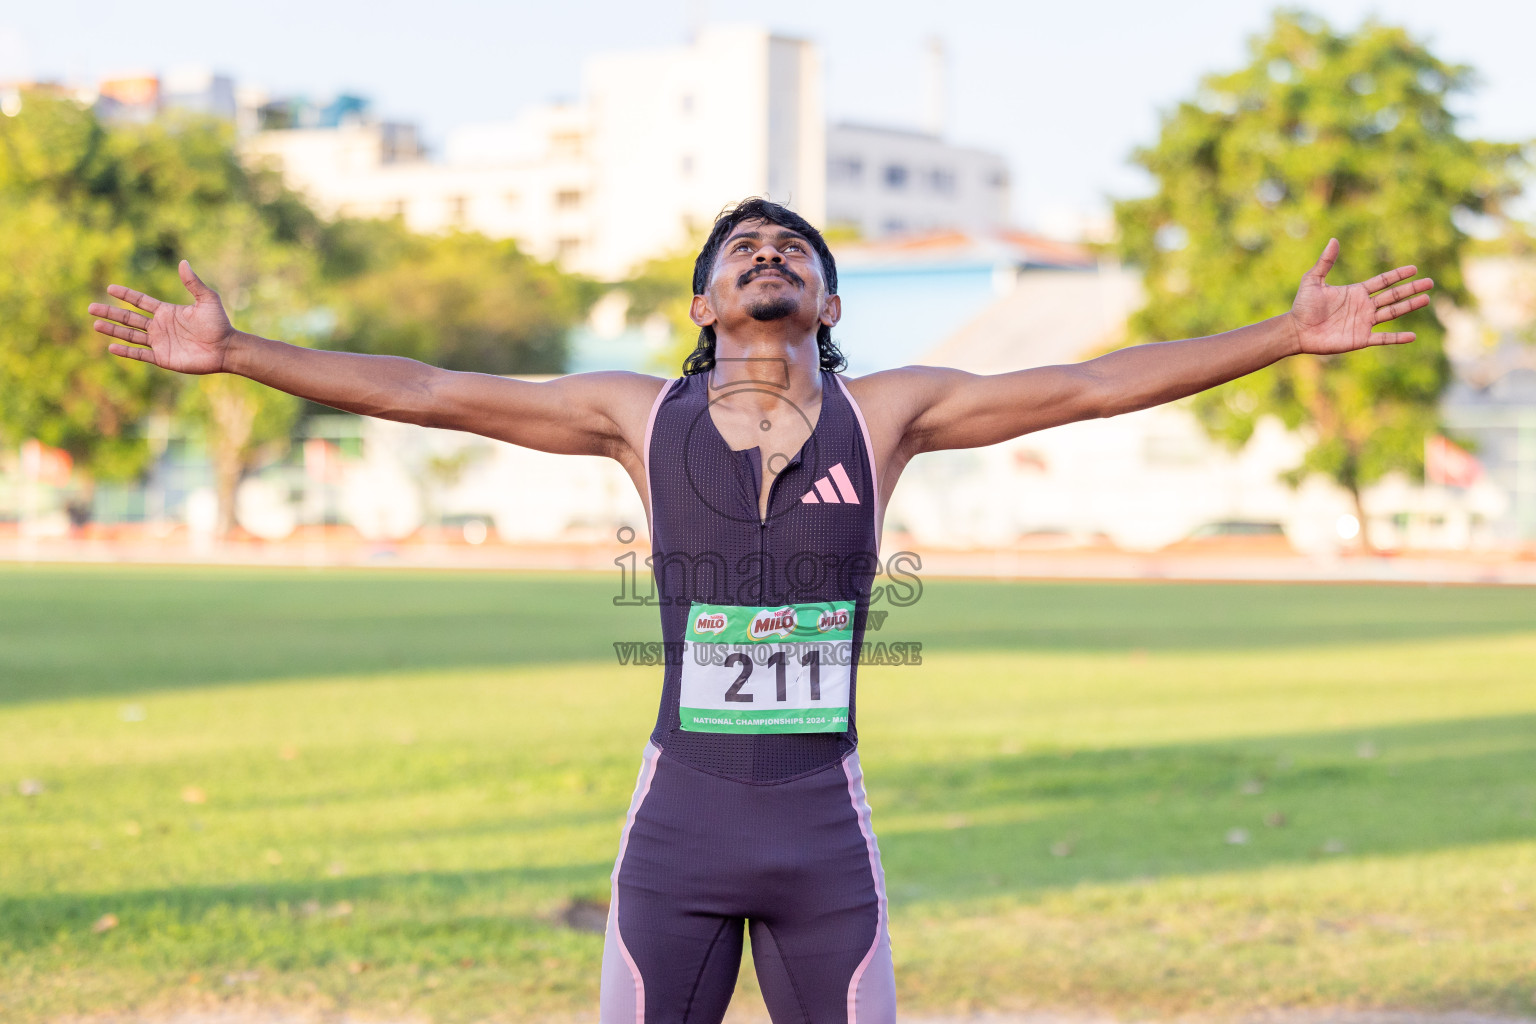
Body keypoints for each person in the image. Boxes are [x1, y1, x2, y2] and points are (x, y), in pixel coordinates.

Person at [87, 197, 1432, 1023]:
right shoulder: (631, 413)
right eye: (743, 248)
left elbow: (1088, 385)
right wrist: (241, 354)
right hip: (673, 834)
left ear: (828, 302)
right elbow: (431, 390)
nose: (768, 252)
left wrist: (1283, 335)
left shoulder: (888, 412)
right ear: (704, 303)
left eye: (791, 247)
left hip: (821, 846)